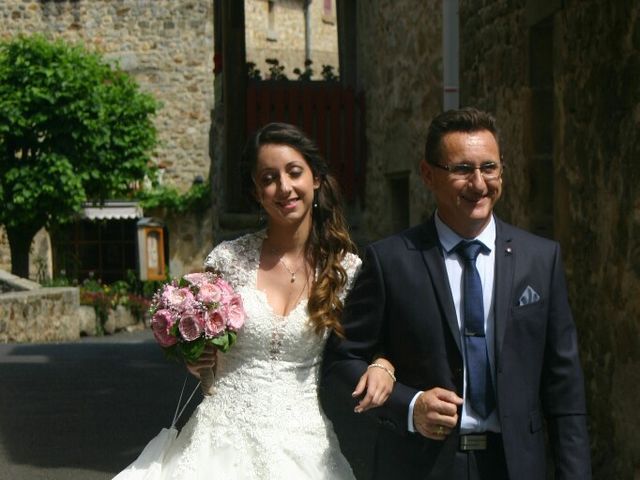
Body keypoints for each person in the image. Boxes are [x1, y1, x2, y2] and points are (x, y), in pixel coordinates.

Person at [114, 122, 395, 480]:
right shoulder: (229, 260)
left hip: (303, 442)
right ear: (257, 192)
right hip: (220, 440)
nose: (284, 187)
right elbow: (201, 349)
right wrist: (193, 356)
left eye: (294, 172)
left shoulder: (346, 271)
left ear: (316, 179)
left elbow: (372, 340)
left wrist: (383, 364)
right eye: (268, 178)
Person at [322, 107, 591, 479]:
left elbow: (564, 386)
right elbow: (339, 364)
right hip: (421, 466)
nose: (479, 184)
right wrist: (410, 405)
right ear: (428, 174)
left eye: (489, 168)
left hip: (515, 466)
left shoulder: (540, 259)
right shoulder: (390, 261)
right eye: (463, 169)